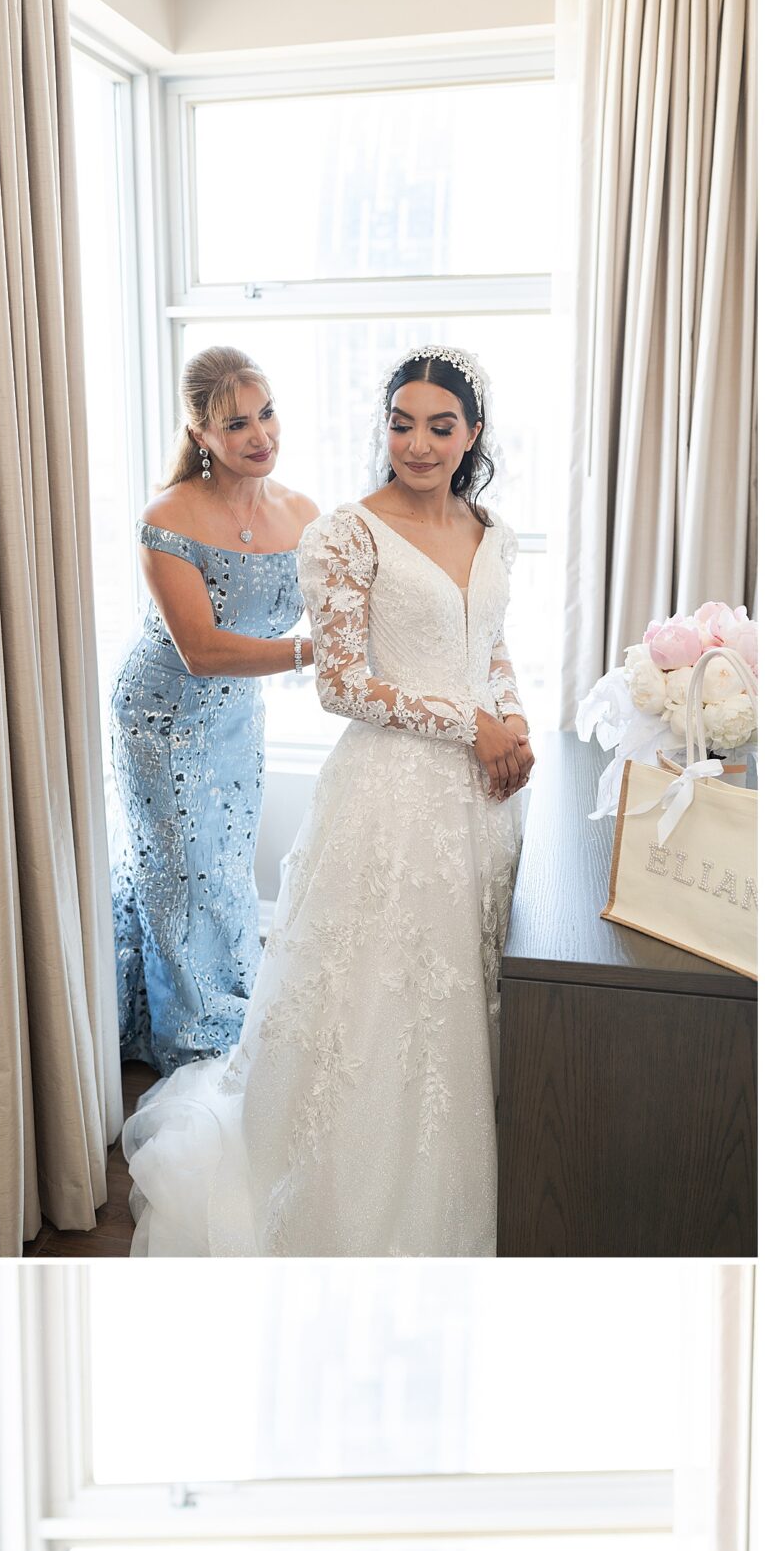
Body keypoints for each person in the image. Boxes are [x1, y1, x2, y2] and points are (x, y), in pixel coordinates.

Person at [122, 344, 533, 1256]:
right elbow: (342, 683)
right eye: (400, 423)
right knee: (376, 997)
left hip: (482, 799)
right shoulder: (347, 530)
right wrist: (472, 724)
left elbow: (491, 647)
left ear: (471, 435)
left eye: (439, 426)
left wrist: (513, 721)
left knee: (468, 988)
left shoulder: (489, 528)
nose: (417, 445)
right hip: (387, 794)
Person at [110, 347, 317, 1075]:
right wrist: (308, 653)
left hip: (236, 719)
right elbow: (199, 649)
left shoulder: (302, 513)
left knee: (224, 870)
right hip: (161, 718)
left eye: (266, 414)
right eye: (236, 424)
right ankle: (192, 1040)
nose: (260, 434)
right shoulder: (166, 517)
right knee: (179, 875)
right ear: (200, 434)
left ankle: (219, 1009)